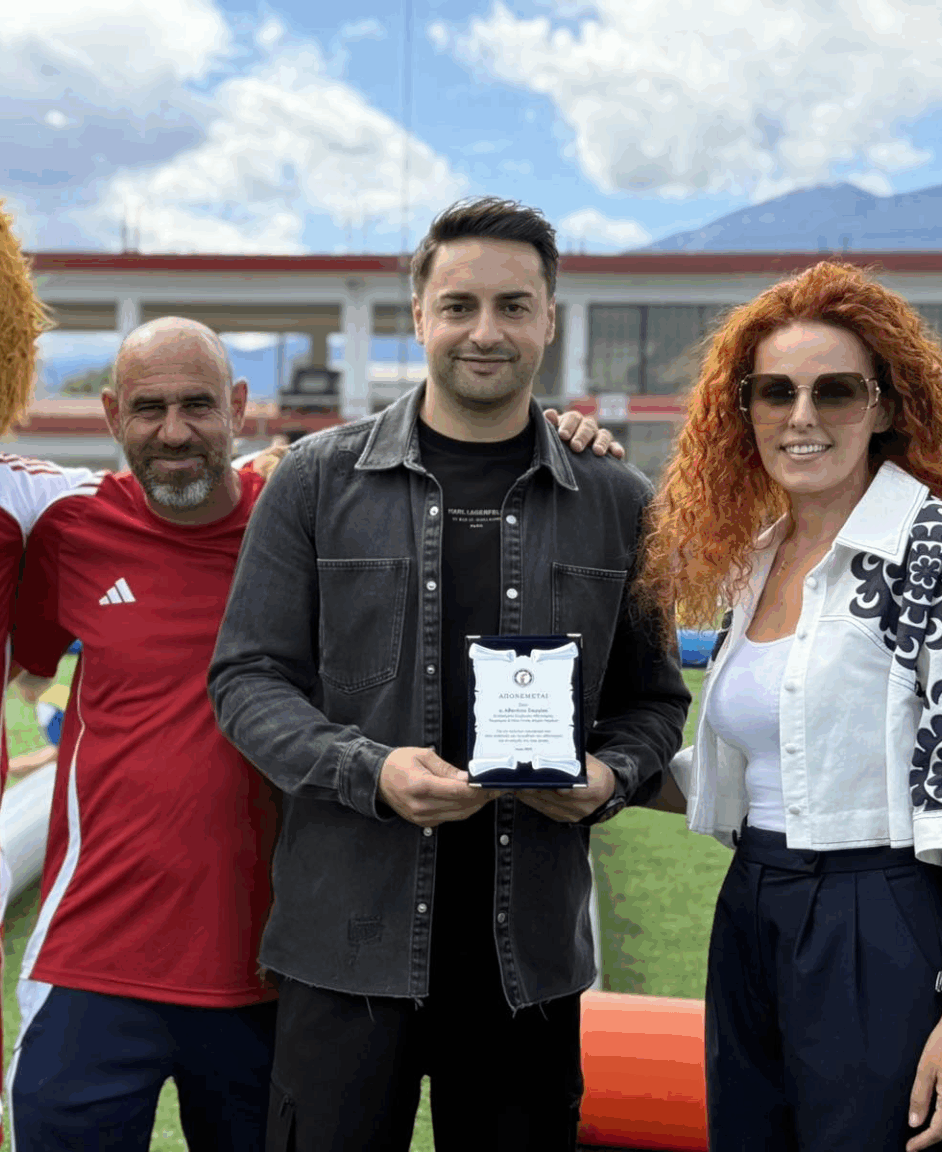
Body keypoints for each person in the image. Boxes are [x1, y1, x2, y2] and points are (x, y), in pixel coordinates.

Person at [4, 314, 620, 1150]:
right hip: (92, 959)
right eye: (148, 408)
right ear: (113, 414)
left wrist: (550, 436)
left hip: (274, 969)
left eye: (198, 405)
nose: (174, 431)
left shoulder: (315, 513)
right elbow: (12, 665)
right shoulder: (71, 532)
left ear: (239, 408)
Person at [207, 198, 690, 1151]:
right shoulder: (316, 481)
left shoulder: (616, 501)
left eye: (514, 306)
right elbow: (247, 678)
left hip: (526, 964)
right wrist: (368, 769)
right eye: (460, 305)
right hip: (346, 948)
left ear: (549, 319)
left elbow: (654, 702)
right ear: (420, 315)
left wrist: (608, 777)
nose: (486, 332)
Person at [635, 261, 942, 1151]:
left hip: (882, 919)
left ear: (885, 406)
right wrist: (597, 777)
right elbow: (756, 771)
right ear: (744, 409)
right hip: (751, 909)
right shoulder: (758, 558)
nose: (802, 416)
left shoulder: (938, 547)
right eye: (775, 392)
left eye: (836, 391)